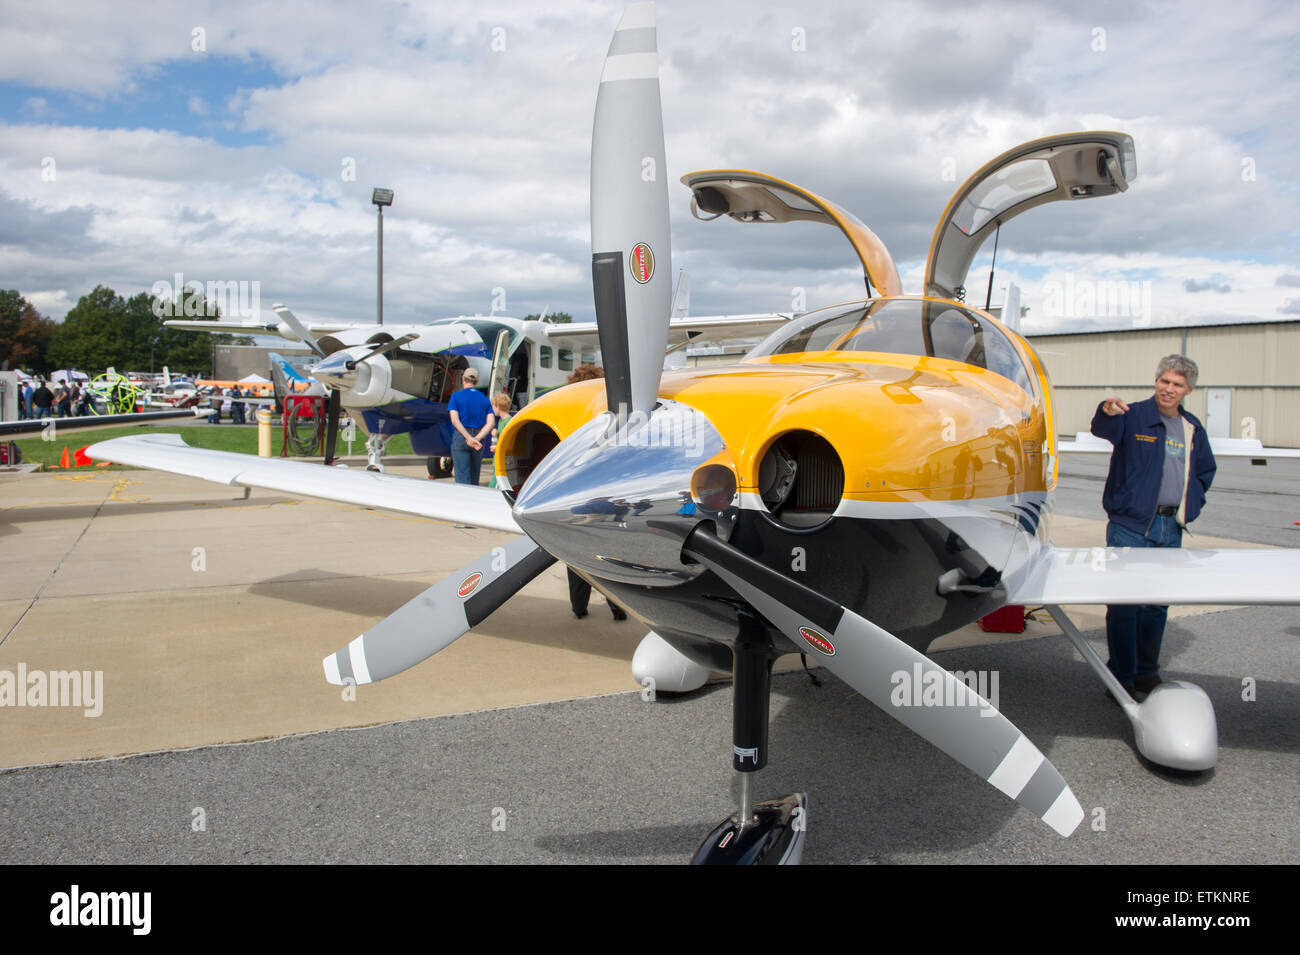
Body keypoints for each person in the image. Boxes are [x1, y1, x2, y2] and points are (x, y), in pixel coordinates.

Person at [1091, 355, 1216, 699]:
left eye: (1177, 384)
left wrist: (1191, 506)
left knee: (1156, 605)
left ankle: (1146, 673)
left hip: (1169, 528)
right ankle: (1121, 676)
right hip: (1129, 526)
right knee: (1124, 604)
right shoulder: (1132, 417)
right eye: (1164, 381)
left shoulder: (1192, 428)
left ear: (1188, 390)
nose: (1169, 389)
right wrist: (1106, 409)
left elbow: (1205, 471)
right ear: (1156, 381)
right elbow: (1102, 429)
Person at [448, 367, 494, 485]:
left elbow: (454, 420)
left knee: (462, 477)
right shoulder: (485, 400)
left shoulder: (456, 397)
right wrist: (476, 439)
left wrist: (468, 438)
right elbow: (490, 423)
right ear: (477, 381)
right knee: (474, 477)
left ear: (463, 378)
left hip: (461, 437)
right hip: (479, 438)